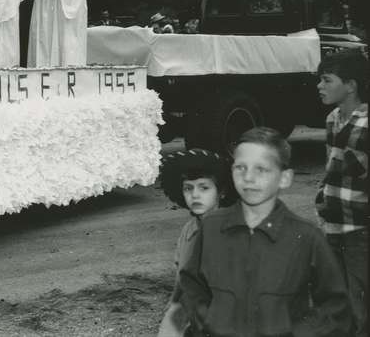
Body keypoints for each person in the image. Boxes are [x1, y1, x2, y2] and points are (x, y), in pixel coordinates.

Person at [180, 127, 351, 336]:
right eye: (240, 168)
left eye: (261, 169)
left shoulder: (307, 237)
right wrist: (208, 322)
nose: (248, 178)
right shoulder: (211, 228)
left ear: (285, 178)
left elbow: (335, 307)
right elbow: (191, 285)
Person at [316, 50, 368, 336]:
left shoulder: (367, 122)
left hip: (361, 228)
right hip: (333, 223)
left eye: (327, 80)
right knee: (336, 303)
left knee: (361, 306)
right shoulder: (332, 118)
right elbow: (330, 169)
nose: (319, 86)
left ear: (351, 85)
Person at [157, 149, 236, 337]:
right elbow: (182, 275)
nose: (195, 195)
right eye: (188, 188)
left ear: (222, 192)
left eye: (204, 188)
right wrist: (172, 305)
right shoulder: (188, 231)